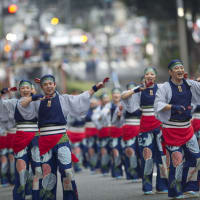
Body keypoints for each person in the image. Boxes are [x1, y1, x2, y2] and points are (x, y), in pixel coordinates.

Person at [18, 74, 104, 200]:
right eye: (45, 84)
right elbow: (23, 104)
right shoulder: (36, 101)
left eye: (50, 84)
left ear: (54, 85)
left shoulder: (64, 99)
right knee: (47, 173)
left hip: (61, 139)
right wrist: (34, 96)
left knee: (67, 171)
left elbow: (81, 98)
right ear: (41, 87)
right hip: (45, 141)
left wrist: (95, 88)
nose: (48, 86)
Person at [154, 59, 200, 199]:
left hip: (187, 128)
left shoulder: (190, 84)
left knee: (196, 157)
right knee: (177, 161)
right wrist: (172, 107)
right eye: (176, 68)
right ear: (170, 72)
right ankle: (176, 191)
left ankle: (190, 187)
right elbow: (158, 104)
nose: (180, 70)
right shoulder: (165, 87)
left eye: (181, 67)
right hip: (172, 129)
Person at [121, 67, 168, 195]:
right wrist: (136, 89)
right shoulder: (139, 90)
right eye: (147, 74)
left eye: (152, 74)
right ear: (144, 76)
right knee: (147, 156)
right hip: (145, 128)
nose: (149, 76)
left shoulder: (163, 87)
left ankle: (162, 185)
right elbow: (123, 96)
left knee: (162, 157)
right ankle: (147, 187)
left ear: (155, 76)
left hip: (160, 127)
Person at [0, 81, 42, 200]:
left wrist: (35, 96)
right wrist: (3, 92)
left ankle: (37, 195)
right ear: (19, 90)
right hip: (20, 137)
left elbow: (45, 104)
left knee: (37, 169)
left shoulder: (37, 101)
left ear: (31, 89)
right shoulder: (14, 103)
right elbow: (1, 105)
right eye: (22, 88)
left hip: (35, 138)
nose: (25, 89)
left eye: (27, 87)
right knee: (21, 169)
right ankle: (20, 196)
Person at [119, 82, 142, 181]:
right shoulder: (124, 101)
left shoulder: (142, 99)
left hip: (141, 127)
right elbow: (116, 121)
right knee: (130, 152)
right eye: (130, 89)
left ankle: (143, 174)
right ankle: (133, 174)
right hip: (129, 128)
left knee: (141, 152)